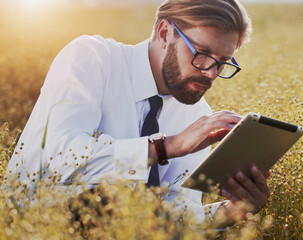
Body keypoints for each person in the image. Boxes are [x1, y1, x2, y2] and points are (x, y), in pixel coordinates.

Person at [6, 0, 271, 227]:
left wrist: (230, 212)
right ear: (165, 33)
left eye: (222, 62)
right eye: (201, 54)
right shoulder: (92, 58)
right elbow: (60, 159)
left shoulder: (197, 115)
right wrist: (167, 147)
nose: (210, 73)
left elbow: (171, 216)